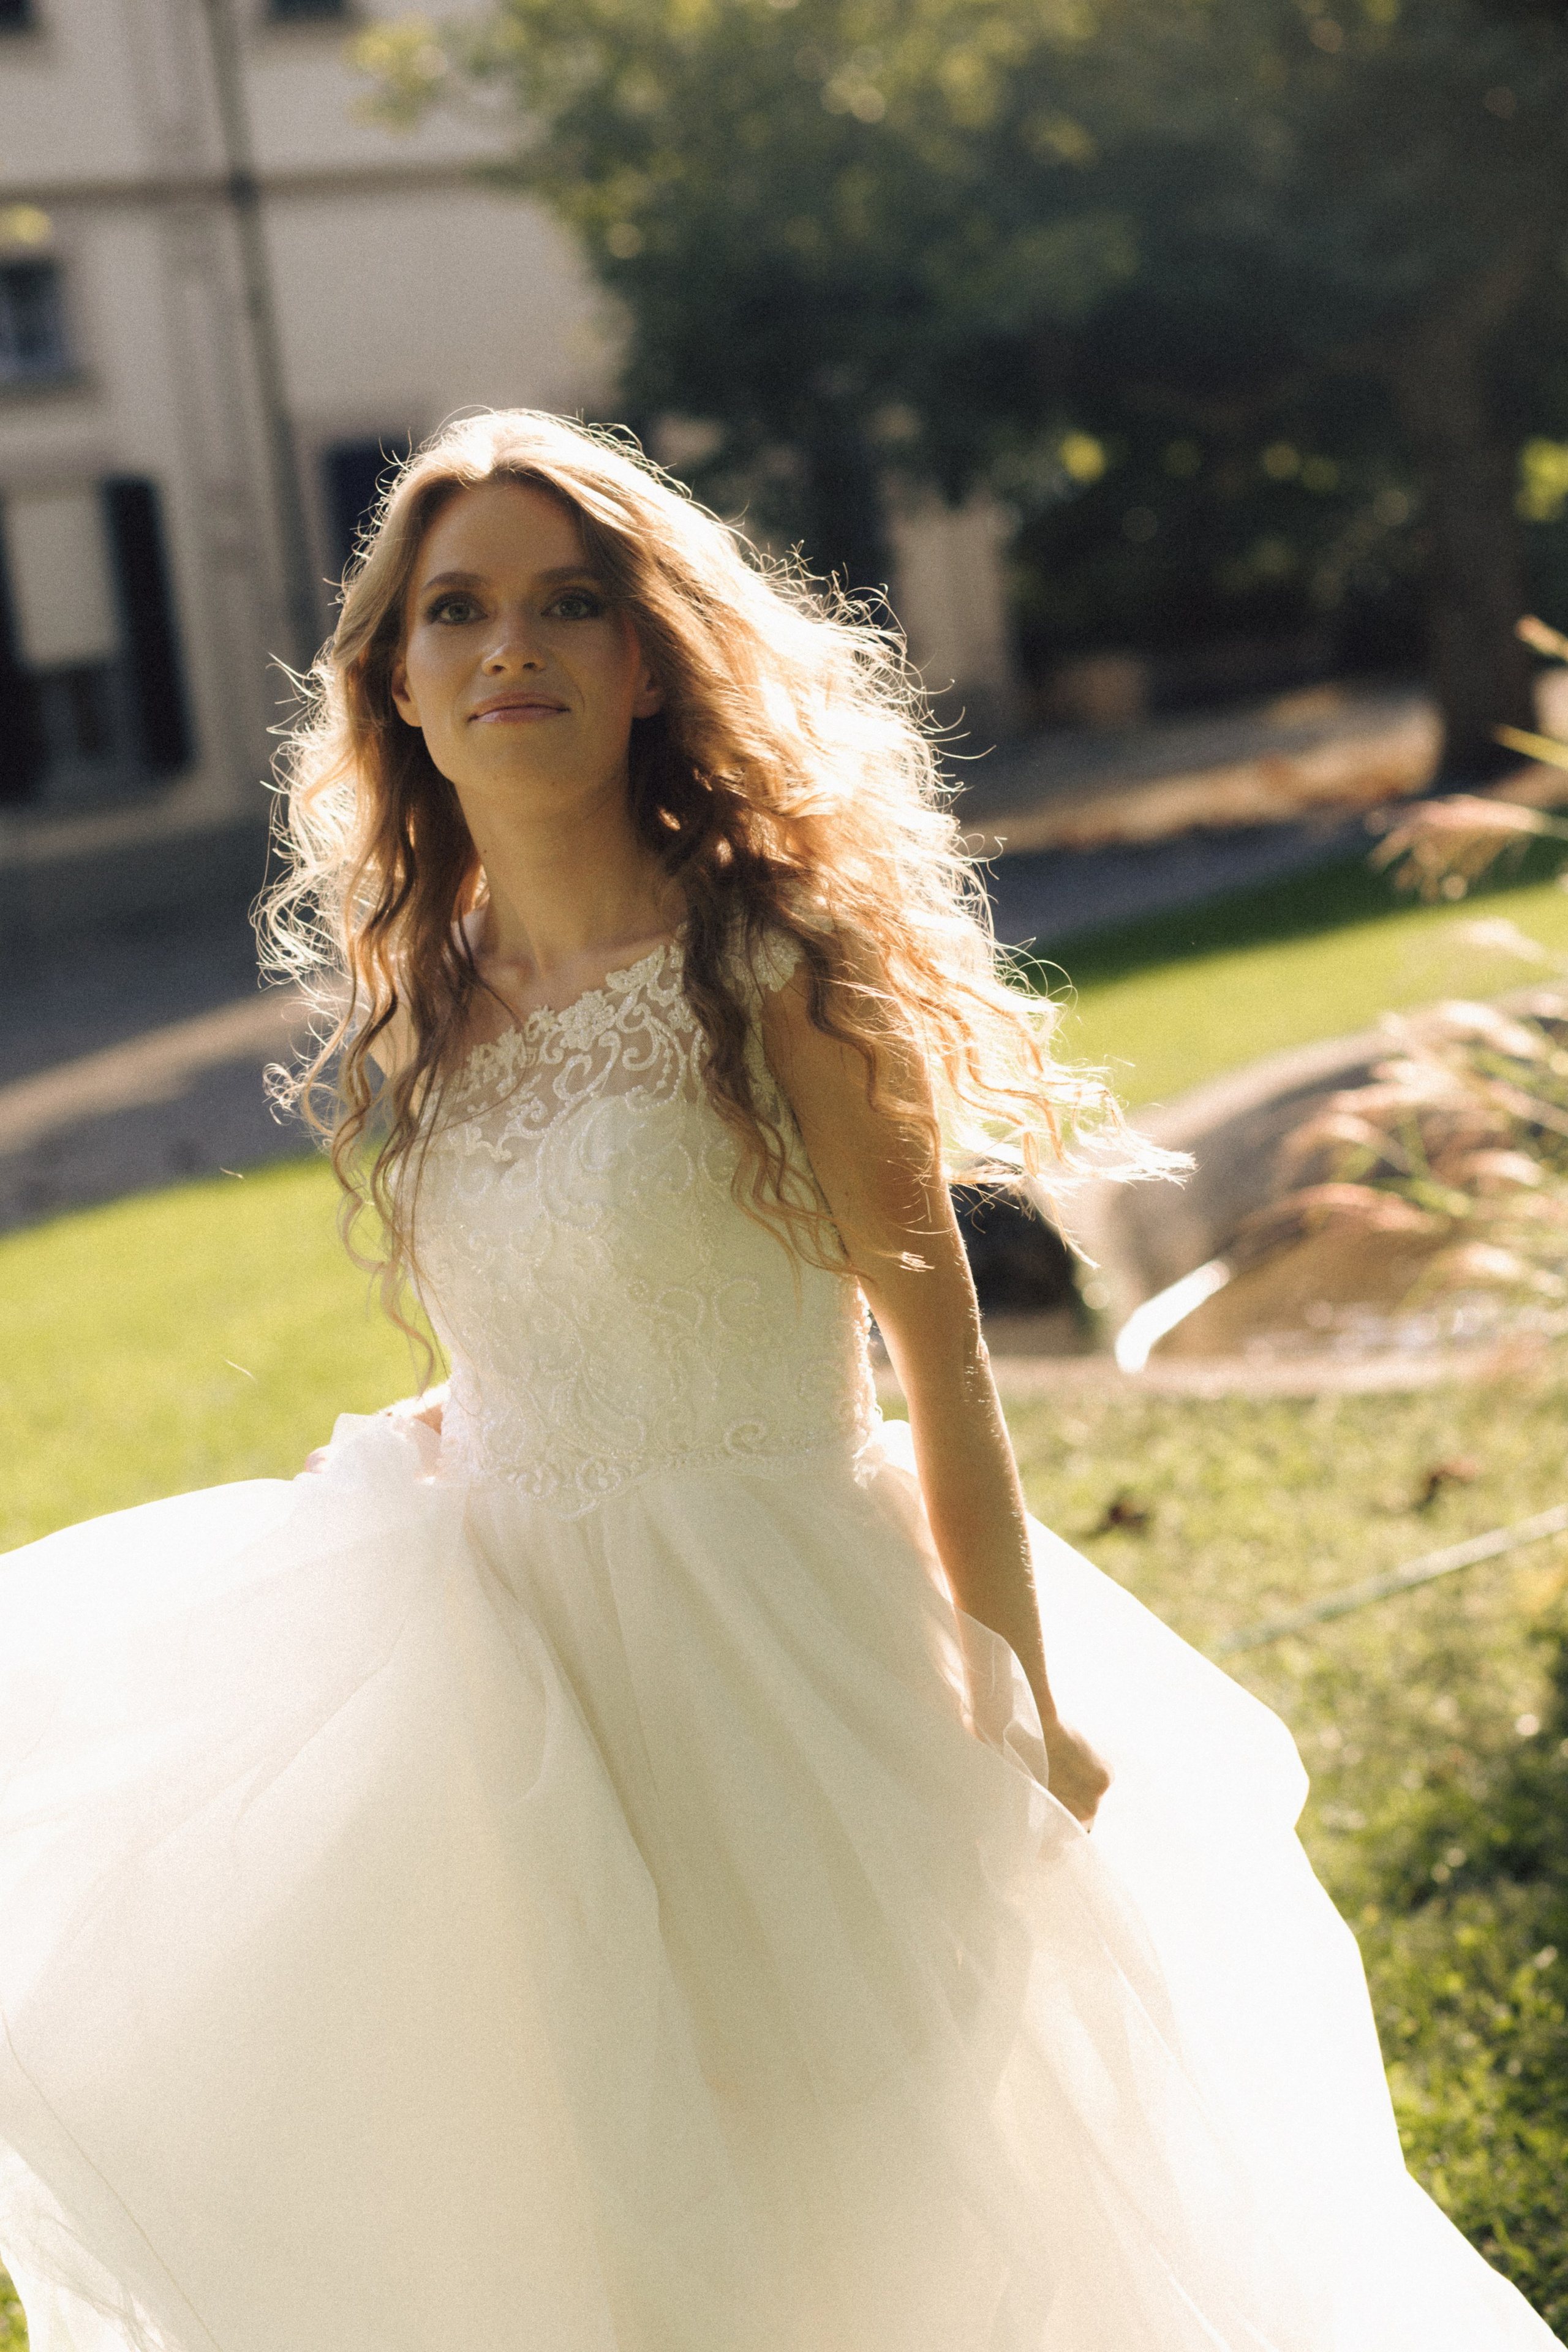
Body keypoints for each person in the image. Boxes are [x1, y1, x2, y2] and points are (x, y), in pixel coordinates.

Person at [0, 410, 1556, 2352]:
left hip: (781, 1637)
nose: (512, 650)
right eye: (457, 611)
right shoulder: (430, 991)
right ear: (393, 680)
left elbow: (942, 1358)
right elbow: (536, 1312)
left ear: (646, 658)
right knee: (580, 2200)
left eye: (568, 604)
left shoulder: (772, 967)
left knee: (867, 2186)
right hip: (512, 1662)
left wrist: (1018, 1697)